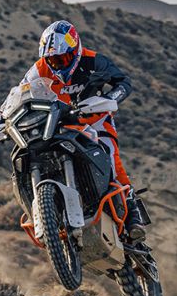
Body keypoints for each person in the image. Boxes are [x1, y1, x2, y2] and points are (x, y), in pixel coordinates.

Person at [21, 19, 146, 241]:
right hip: (59, 123)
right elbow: (20, 93)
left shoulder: (93, 61)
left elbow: (123, 82)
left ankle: (133, 215)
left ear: (75, 49)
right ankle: (47, 209)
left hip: (96, 119)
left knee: (110, 156)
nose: (58, 64)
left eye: (63, 59)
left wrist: (110, 98)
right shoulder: (39, 69)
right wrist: (3, 116)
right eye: (53, 60)